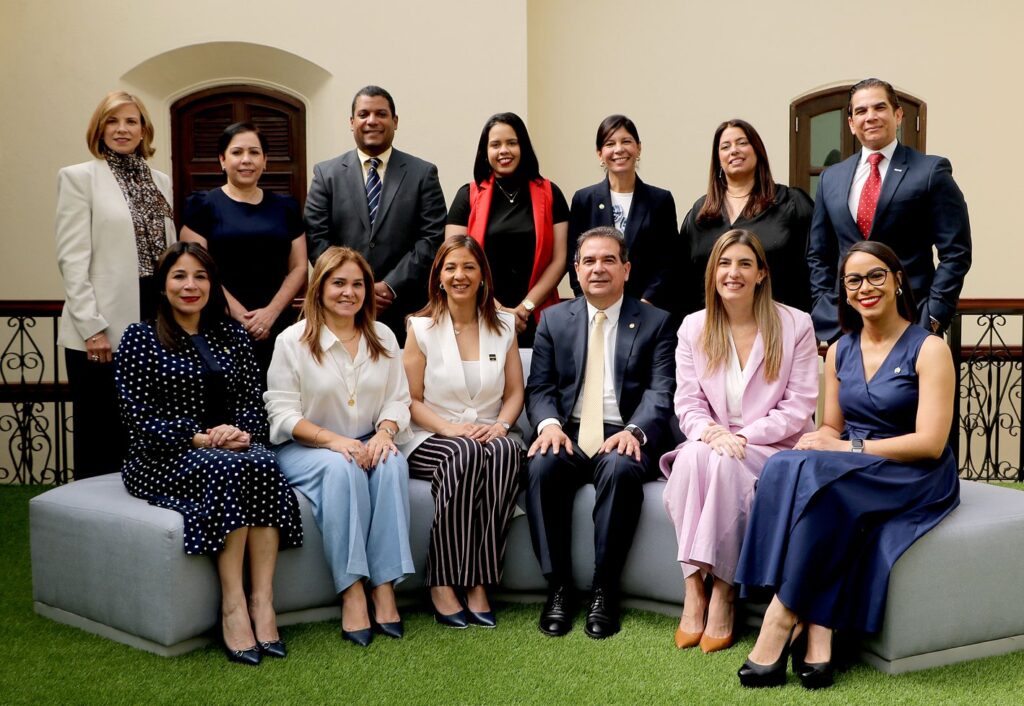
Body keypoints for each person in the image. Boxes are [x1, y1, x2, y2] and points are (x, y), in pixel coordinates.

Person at [735, 241, 960, 689]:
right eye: (853, 280)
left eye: (876, 275)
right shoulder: (839, 350)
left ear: (897, 281)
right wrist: (820, 440)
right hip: (854, 464)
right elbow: (831, 427)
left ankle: (783, 616)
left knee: (829, 493)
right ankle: (817, 622)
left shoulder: (930, 348)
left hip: (911, 472)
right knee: (782, 466)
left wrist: (848, 449)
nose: (865, 288)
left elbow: (931, 444)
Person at [115, 242, 302, 666]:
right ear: (162, 285)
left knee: (262, 462)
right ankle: (233, 605)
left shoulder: (231, 334)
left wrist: (241, 432)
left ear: (213, 285)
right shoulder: (140, 338)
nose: (190, 286)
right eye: (179, 276)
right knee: (229, 468)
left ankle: (262, 601)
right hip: (162, 456)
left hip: (229, 447)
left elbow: (253, 401)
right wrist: (198, 438)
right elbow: (138, 417)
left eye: (200, 277)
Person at [660, 229, 819, 654]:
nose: (734, 273)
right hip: (713, 442)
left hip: (775, 446)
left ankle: (724, 591)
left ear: (761, 273)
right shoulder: (693, 326)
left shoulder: (796, 324)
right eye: (725, 264)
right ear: (713, 273)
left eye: (745, 264)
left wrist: (742, 436)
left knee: (724, 462)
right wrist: (712, 433)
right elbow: (687, 402)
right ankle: (693, 588)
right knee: (692, 459)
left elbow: (799, 406)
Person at [524, 226, 675, 639]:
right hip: (569, 430)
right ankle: (557, 588)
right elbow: (539, 388)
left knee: (621, 467)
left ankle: (604, 590)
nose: (598, 268)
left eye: (609, 259)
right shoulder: (554, 319)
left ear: (626, 269)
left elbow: (661, 390)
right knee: (541, 465)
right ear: (576, 270)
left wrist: (635, 431)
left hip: (624, 430)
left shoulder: (656, 322)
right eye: (589, 261)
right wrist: (549, 425)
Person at [265, 246, 415, 648]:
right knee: (342, 467)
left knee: (391, 463)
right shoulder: (292, 341)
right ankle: (352, 591)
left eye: (357, 284)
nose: (349, 292)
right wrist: (334, 441)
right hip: (306, 447)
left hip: (367, 439)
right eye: (338, 283)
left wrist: (385, 432)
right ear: (319, 287)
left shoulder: (383, 336)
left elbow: (398, 399)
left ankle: (384, 586)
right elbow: (281, 414)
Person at [400, 235, 525, 629]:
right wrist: (450, 429)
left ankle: (479, 581)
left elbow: (515, 392)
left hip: (488, 434)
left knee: (508, 452)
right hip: (429, 434)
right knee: (465, 453)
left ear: (482, 275)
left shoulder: (504, 326)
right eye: (451, 267)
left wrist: (502, 425)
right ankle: (442, 579)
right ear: (438, 277)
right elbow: (410, 400)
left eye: (469, 267)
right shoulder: (420, 328)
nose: (460, 275)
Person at [56, 90, 175, 479]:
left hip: (154, 318)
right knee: (100, 431)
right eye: (112, 121)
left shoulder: (161, 182)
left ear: (144, 130)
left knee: (146, 428)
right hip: (101, 325)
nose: (122, 129)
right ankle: (91, 513)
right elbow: (73, 260)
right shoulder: (79, 178)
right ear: (99, 128)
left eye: (131, 121)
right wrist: (92, 327)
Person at [808, 78, 971, 343]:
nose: (870, 116)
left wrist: (933, 316)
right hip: (846, 327)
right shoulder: (831, 179)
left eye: (879, 107)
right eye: (861, 111)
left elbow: (956, 252)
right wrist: (824, 307)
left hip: (912, 323)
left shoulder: (930, 172)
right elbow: (818, 253)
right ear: (851, 124)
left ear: (898, 115)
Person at [304, 85, 446, 344]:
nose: (372, 121)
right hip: (342, 308)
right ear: (352, 122)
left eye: (381, 114)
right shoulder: (326, 174)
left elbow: (431, 238)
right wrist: (353, 285)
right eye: (364, 114)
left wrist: (390, 286)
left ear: (395, 121)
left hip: (405, 308)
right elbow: (316, 238)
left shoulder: (423, 173)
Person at [181, 122, 307, 381]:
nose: (246, 160)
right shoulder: (202, 206)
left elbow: (299, 267)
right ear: (222, 160)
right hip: (218, 323)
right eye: (237, 152)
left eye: (254, 152)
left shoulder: (286, 206)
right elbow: (197, 271)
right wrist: (243, 317)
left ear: (265, 161)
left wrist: (270, 313)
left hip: (276, 325)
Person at [446, 112, 569, 346]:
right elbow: (452, 261)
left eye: (512, 143)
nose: (504, 150)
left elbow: (560, 259)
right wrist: (500, 311)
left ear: (523, 147)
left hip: (538, 316)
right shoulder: (467, 196)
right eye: (496, 145)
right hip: (480, 313)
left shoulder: (550, 193)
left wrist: (525, 308)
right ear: (485, 151)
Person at [679, 119, 813, 317]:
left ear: (758, 151)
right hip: (712, 326)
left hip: (779, 323)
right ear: (718, 159)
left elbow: (818, 265)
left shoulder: (791, 203)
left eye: (742, 143)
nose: (734, 150)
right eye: (725, 147)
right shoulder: (701, 213)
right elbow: (681, 277)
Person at [567, 115, 679, 318]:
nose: (619, 149)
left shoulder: (660, 200)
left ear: (638, 148)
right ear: (600, 153)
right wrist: (590, 304)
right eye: (610, 144)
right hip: (596, 310)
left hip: (647, 310)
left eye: (626, 141)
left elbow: (668, 260)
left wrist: (646, 304)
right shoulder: (584, 200)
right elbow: (574, 258)